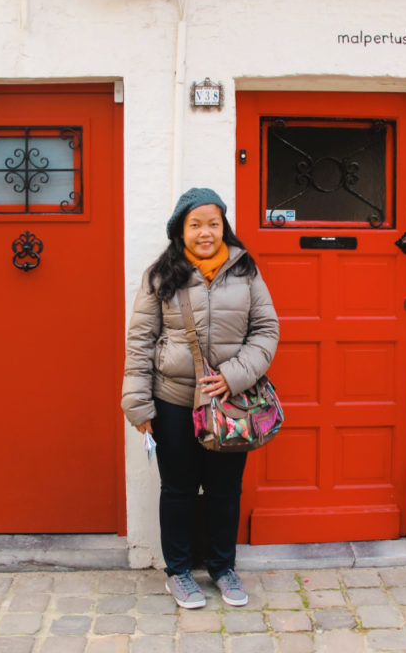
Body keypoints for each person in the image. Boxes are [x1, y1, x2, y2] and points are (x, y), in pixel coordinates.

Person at [122, 188, 279, 609]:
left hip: (231, 403)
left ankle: (223, 568)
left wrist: (232, 377)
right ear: (181, 230)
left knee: (225, 489)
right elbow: (140, 341)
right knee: (178, 489)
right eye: (196, 225)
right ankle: (178, 572)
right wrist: (137, 404)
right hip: (172, 400)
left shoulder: (245, 271)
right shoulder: (161, 274)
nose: (206, 232)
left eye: (213, 223)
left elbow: (266, 332)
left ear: (223, 225)